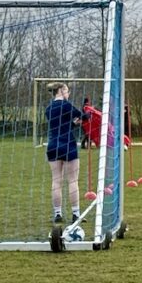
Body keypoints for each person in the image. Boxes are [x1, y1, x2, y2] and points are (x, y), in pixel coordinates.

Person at [45, 82, 89, 223]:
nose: (68, 94)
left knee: (56, 181)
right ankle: (76, 214)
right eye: (67, 91)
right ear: (60, 91)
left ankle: (57, 213)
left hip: (52, 145)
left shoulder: (48, 108)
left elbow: (59, 125)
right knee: (72, 180)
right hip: (68, 144)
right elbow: (83, 116)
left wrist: (73, 123)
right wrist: (90, 112)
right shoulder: (67, 105)